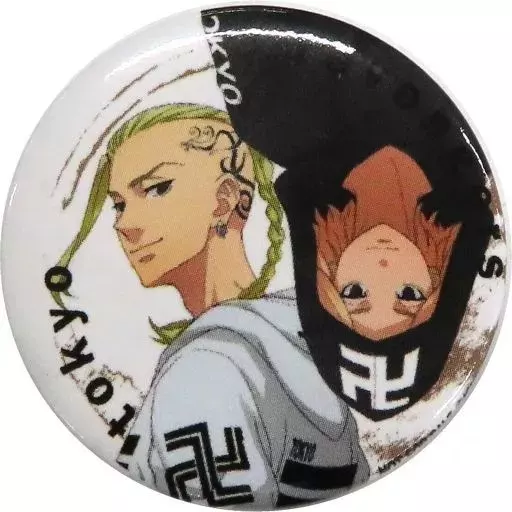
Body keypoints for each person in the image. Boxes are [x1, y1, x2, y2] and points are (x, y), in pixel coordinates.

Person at [53, 103, 370, 508]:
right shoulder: (302, 331)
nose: (123, 224)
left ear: (224, 201)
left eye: (156, 188)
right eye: (119, 204)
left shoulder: (205, 367)